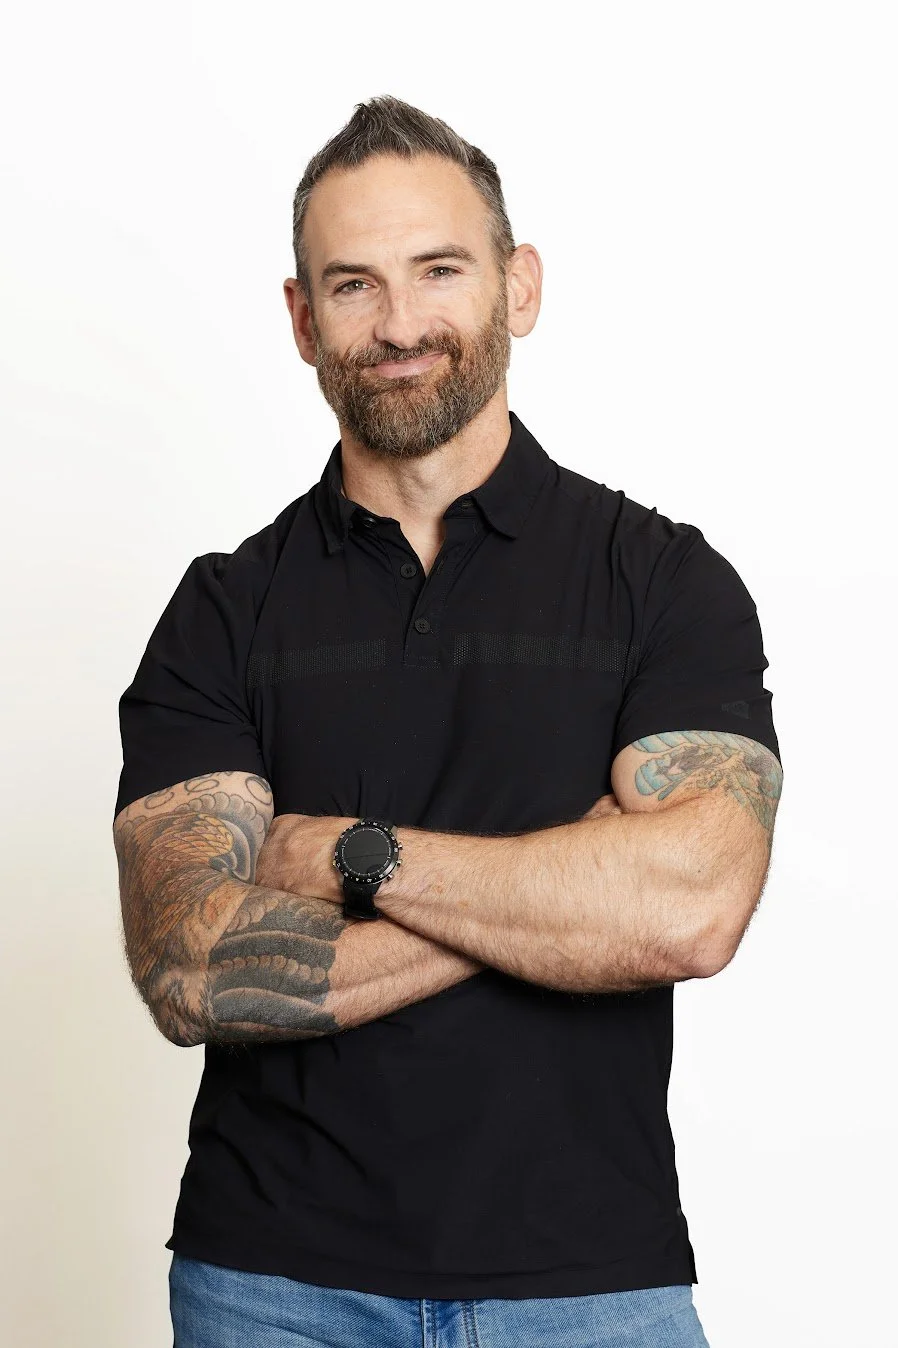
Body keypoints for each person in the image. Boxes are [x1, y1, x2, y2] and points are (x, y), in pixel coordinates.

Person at [113, 94, 783, 1348]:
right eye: (353, 286)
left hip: (592, 1289)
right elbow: (188, 961)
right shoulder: (222, 610)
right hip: (271, 1287)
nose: (401, 323)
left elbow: (690, 909)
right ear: (302, 321)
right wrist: (566, 892)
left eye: (439, 270)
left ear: (518, 287)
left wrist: (344, 856)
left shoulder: (664, 582)